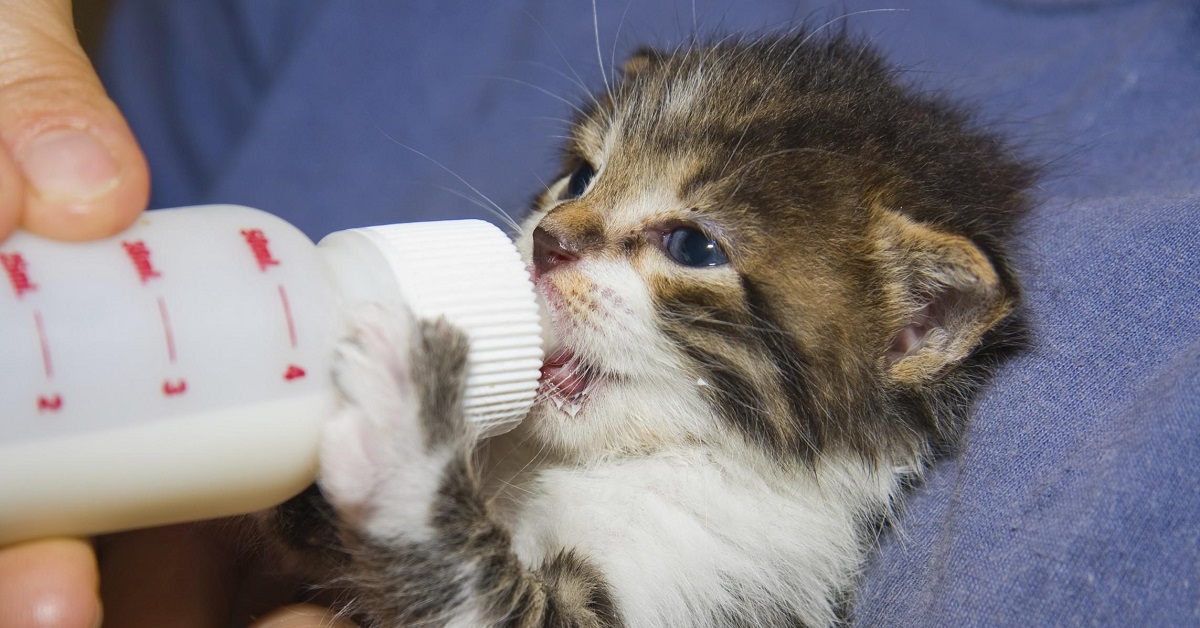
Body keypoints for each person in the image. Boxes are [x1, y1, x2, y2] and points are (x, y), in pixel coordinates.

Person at [2, 1, 1197, 626]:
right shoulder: (551, 394)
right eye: (579, 178)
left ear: (906, 328)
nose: (562, 238)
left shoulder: (752, 540)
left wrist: (408, 490)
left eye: (688, 247)